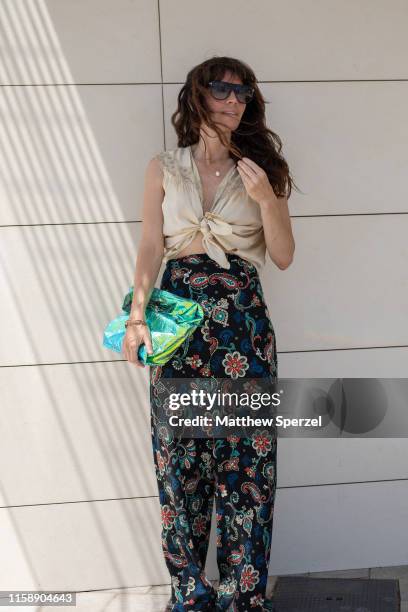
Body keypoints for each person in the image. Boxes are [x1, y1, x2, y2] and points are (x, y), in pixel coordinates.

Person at [123, 56, 296, 611]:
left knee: (246, 464)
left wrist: (267, 197)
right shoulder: (163, 167)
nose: (233, 99)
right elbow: (151, 245)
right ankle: (190, 595)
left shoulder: (262, 166)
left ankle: (243, 595)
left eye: (243, 93)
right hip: (176, 322)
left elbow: (285, 257)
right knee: (180, 464)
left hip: (242, 324)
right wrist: (137, 315)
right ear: (196, 93)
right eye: (222, 88)